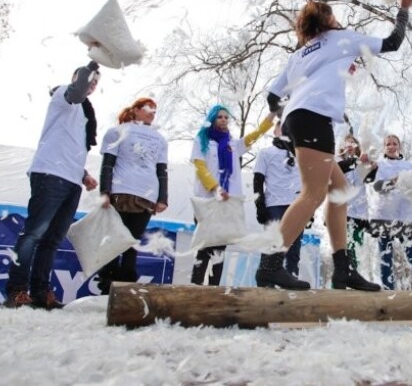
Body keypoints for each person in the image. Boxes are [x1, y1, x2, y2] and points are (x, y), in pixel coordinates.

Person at [260, 0, 412, 290]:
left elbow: (272, 95)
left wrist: (286, 124)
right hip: (314, 117)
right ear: (328, 18)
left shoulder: (300, 53)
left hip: (298, 118)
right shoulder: (341, 39)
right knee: (313, 194)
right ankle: (270, 265)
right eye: (333, 13)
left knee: (340, 190)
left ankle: (343, 269)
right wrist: (404, 8)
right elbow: (393, 43)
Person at [3, 61, 100, 309]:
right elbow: (76, 91)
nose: (92, 84)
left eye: (96, 82)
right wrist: (91, 66)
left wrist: (83, 174)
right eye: (89, 79)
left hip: (70, 180)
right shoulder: (63, 95)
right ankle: (17, 290)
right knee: (33, 233)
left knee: (53, 239)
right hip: (49, 174)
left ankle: (39, 292)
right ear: (76, 78)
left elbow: (71, 147)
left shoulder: (85, 115)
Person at [190, 105, 275, 286]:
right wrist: (215, 188)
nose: (224, 120)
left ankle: (214, 291)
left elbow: (256, 133)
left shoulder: (233, 144)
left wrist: (273, 113)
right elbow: (200, 166)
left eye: (226, 117)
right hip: (208, 201)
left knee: (220, 248)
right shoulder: (201, 140)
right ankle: (195, 286)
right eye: (220, 117)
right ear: (212, 119)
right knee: (204, 246)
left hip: (228, 203)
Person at [97, 98, 169, 294]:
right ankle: (106, 285)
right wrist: (105, 192)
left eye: (155, 110)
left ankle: (126, 285)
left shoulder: (159, 139)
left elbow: (162, 170)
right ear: (136, 110)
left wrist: (163, 198)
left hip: (146, 195)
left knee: (133, 241)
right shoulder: (118, 131)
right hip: (121, 192)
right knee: (114, 239)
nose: (152, 113)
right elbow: (107, 164)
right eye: (148, 109)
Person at [368, 134, 412, 291]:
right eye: (388, 144)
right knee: (386, 260)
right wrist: (394, 181)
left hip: (407, 217)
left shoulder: (409, 165)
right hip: (384, 217)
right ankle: (388, 292)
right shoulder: (379, 165)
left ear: (399, 146)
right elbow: (378, 187)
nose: (391, 147)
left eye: (394, 143)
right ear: (384, 148)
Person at [253, 120, 307, 286]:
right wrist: (259, 205)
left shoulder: (300, 154)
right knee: (272, 244)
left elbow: (305, 182)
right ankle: (265, 286)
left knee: (294, 249)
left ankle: (292, 282)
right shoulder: (266, 153)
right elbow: (258, 180)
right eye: (281, 125)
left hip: (296, 206)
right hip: (274, 205)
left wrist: (307, 211)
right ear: (275, 131)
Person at [337, 135, 376, 269]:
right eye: (347, 143)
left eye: (353, 143)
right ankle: (339, 285)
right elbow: (339, 169)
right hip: (341, 212)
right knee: (343, 248)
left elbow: (371, 179)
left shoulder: (361, 165)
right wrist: (358, 162)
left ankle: (355, 277)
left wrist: (374, 167)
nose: (350, 145)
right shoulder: (338, 162)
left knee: (357, 248)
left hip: (359, 214)